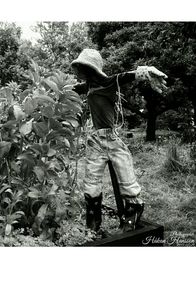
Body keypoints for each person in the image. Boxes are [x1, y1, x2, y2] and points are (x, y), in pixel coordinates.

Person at [71, 48, 167, 233]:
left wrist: (146, 71)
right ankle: (93, 224)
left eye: (87, 68)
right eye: (83, 68)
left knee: (127, 178)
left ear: (94, 69)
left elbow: (125, 76)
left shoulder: (108, 82)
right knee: (91, 183)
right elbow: (73, 89)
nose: (85, 72)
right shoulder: (89, 86)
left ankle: (133, 213)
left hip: (111, 139)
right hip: (95, 141)